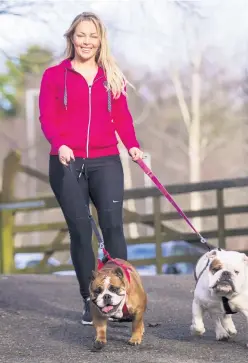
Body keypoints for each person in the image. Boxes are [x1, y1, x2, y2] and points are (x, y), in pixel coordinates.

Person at [38, 11, 143, 325]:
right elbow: (47, 116)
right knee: (82, 231)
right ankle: (92, 300)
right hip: (66, 161)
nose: (86, 41)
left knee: (112, 227)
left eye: (92, 36)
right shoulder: (54, 76)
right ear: (72, 38)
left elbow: (122, 117)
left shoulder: (111, 74)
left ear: (100, 41)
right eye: (81, 35)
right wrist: (60, 144)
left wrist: (132, 144)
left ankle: (121, 299)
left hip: (106, 160)